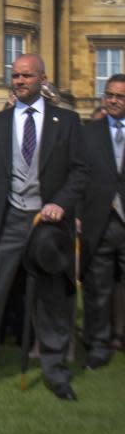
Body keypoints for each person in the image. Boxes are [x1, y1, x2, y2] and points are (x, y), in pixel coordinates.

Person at [0, 54, 87, 401]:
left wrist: (60, 201)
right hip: (7, 221)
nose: (20, 81)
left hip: (49, 223)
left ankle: (57, 373)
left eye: (27, 76)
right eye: (15, 76)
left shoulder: (69, 121)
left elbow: (79, 171)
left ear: (42, 78)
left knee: (52, 300)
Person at [79, 74, 125, 370]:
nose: (112, 100)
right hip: (100, 221)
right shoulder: (88, 133)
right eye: (109, 94)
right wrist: (78, 215)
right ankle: (98, 344)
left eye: (120, 96)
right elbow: (78, 176)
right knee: (98, 286)